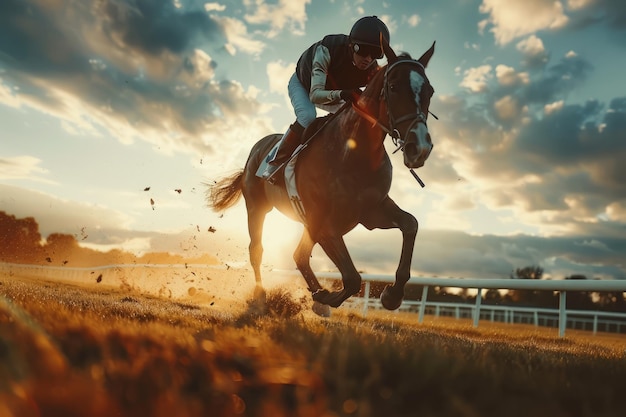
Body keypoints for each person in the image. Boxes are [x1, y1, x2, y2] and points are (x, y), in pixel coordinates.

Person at [266, 15, 390, 170]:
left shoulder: (371, 69)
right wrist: (343, 94)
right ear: (352, 46)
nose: (368, 59)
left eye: (376, 54)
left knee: (352, 119)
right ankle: (276, 162)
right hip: (304, 86)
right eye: (364, 51)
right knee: (307, 116)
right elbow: (315, 95)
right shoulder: (327, 49)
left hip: (332, 93)